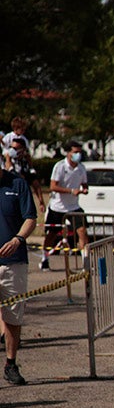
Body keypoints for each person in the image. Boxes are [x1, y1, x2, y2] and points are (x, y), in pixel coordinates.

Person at [0, 163, 38, 384]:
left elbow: (30, 218)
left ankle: (11, 364)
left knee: (13, 316)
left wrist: (18, 239)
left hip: (14, 263)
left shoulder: (18, 184)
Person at [40, 140, 88, 271]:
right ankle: (44, 259)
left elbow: (84, 183)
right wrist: (71, 191)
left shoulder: (81, 168)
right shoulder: (60, 166)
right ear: (68, 153)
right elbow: (53, 186)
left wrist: (84, 189)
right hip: (58, 207)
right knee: (52, 235)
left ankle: (85, 263)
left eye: (79, 152)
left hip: (74, 207)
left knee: (82, 231)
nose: (78, 155)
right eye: (75, 152)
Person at [4, 136, 44, 214]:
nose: (12, 150)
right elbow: (8, 168)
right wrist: (8, 159)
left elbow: (35, 184)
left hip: (21, 195)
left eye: (15, 148)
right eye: (11, 147)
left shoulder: (25, 163)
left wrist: (41, 201)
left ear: (23, 149)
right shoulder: (6, 159)